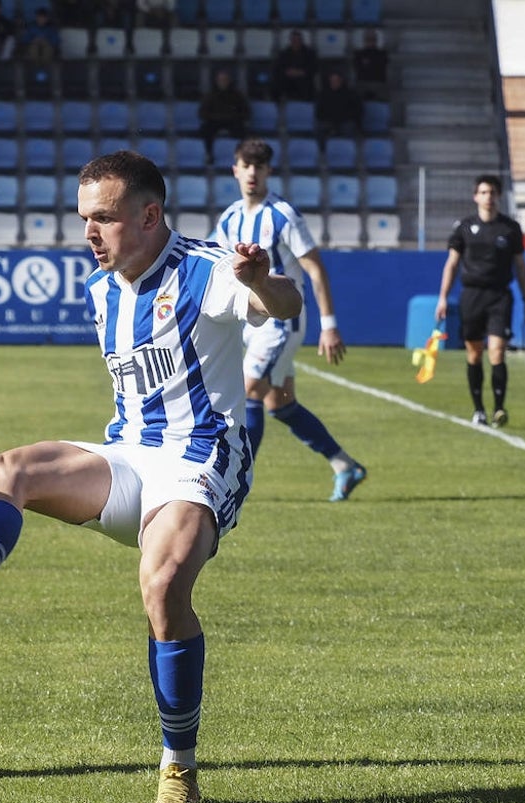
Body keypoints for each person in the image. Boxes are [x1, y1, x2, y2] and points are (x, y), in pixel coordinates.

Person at [0, 150, 303, 803]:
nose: (89, 232)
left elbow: (285, 303)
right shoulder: (101, 288)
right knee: (7, 470)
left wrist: (262, 280)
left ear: (151, 216)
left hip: (202, 460)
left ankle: (179, 768)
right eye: (84, 218)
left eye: (104, 218)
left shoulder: (209, 271)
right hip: (129, 458)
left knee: (163, 586)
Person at [212, 138, 368, 501]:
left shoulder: (283, 215)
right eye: (246, 165)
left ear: (268, 171)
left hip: (281, 324)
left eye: (259, 166)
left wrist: (328, 325)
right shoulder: (230, 218)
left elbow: (315, 269)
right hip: (251, 324)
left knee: (249, 389)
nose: (252, 172)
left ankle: (237, 482)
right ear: (235, 169)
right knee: (279, 403)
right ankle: (345, 466)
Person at [435, 175, 525, 427]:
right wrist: (443, 298)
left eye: (492, 192)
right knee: (474, 354)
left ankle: (499, 408)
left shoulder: (510, 228)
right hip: (472, 296)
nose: (488, 197)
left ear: (498, 196)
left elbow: (520, 265)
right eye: (484, 192)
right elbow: (452, 264)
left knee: (497, 352)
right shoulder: (464, 228)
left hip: (499, 296)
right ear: (475, 196)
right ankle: (478, 409)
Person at [198, 68, 251, 164]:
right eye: (221, 80)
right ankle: (209, 154)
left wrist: (235, 117)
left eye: (225, 80)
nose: (223, 82)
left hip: (233, 120)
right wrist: (214, 117)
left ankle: (243, 156)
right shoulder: (210, 95)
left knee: (244, 132)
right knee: (205, 131)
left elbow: (245, 112)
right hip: (214, 121)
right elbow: (202, 113)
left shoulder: (237, 95)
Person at [314, 69, 362, 150]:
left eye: (336, 81)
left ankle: (347, 150)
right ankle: (322, 151)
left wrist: (344, 117)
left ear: (341, 81)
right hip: (329, 120)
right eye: (332, 81)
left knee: (348, 128)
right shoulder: (324, 94)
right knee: (319, 127)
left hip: (345, 120)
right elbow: (319, 111)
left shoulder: (350, 94)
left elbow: (358, 110)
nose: (333, 83)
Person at [271, 29, 318, 101]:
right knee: (276, 80)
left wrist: (300, 72)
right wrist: (287, 72)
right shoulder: (284, 53)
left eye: (298, 39)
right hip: (288, 78)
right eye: (294, 39)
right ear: (291, 40)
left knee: (306, 83)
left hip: (303, 78)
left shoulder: (310, 53)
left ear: (301, 40)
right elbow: (278, 67)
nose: (296, 41)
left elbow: (314, 67)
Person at [351, 28, 389, 100]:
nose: (371, 41)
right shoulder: (358, 54)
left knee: (382, 99)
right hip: (362, 82)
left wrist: (368, 65)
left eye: (373, 39)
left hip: (379, 82)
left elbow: (380, 67)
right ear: (364, 40)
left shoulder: (383, 53)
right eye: (368, 39)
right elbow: (358, 68)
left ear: (376, 40)